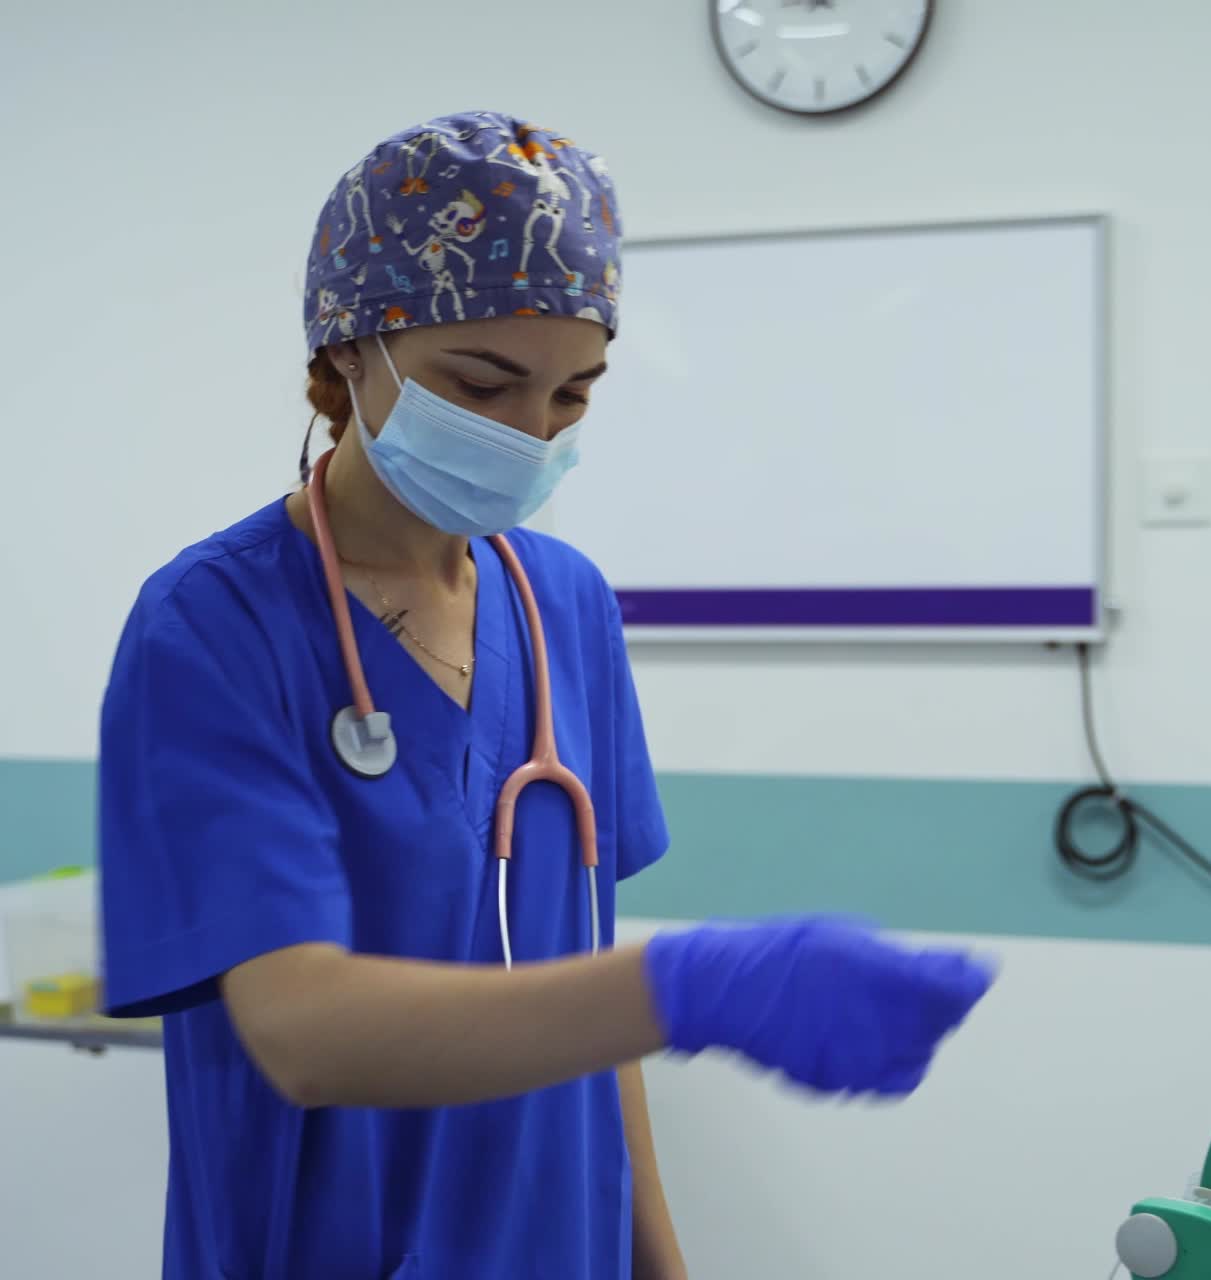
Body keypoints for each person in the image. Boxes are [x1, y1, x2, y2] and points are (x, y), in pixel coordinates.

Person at [98, 110, 995, 1280]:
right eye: (481, 383)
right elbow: (301, 1031)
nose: (529, 435)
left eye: (573, 395)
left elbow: (582, 986)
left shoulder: (560, 603)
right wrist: (687, 986)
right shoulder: (213, 625)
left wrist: (662, 1264)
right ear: (344, 358)